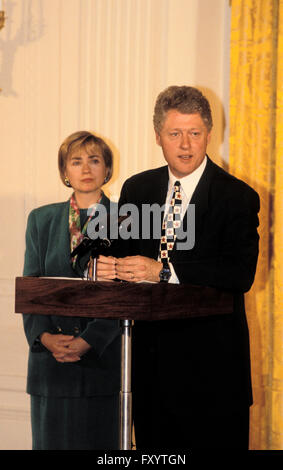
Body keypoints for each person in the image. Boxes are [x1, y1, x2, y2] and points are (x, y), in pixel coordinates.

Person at [97, 86, 260, 449]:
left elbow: (239, 273)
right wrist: (106, 267)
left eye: (195, 133)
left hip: (214, 380)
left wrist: (163, 271)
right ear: (158, 137)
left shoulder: (238, 196)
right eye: (175, 134)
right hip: (151, 375)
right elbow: (121, 254)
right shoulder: (137, 189)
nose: (186, 145)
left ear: (209, 134)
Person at [23, 130, 121, 450]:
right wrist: (46, 337)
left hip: (101, 365)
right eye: (76, 161)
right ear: (65, 171)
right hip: (50, 368)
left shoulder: (127, 219)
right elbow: (32, 287)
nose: (86, 168)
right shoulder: (41, 219)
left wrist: (87, 341)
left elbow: (124, 293)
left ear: (107, 168)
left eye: (94, 160)